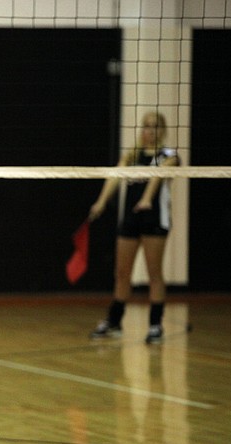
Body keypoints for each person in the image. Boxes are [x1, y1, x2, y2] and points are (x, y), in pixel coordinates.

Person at [88, 111, 180, 345]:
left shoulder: (169, 156)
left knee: (154, 273)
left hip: (155, 220)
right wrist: (100, 202)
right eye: (147, 126)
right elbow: (115, 176)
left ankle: (155, 325)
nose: (150, 131)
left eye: (155, 127)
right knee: (121, 273)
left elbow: (158, 176)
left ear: (163, 130)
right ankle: (114, 322)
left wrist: (147, 198)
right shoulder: (132, 155)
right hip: (130, 219)